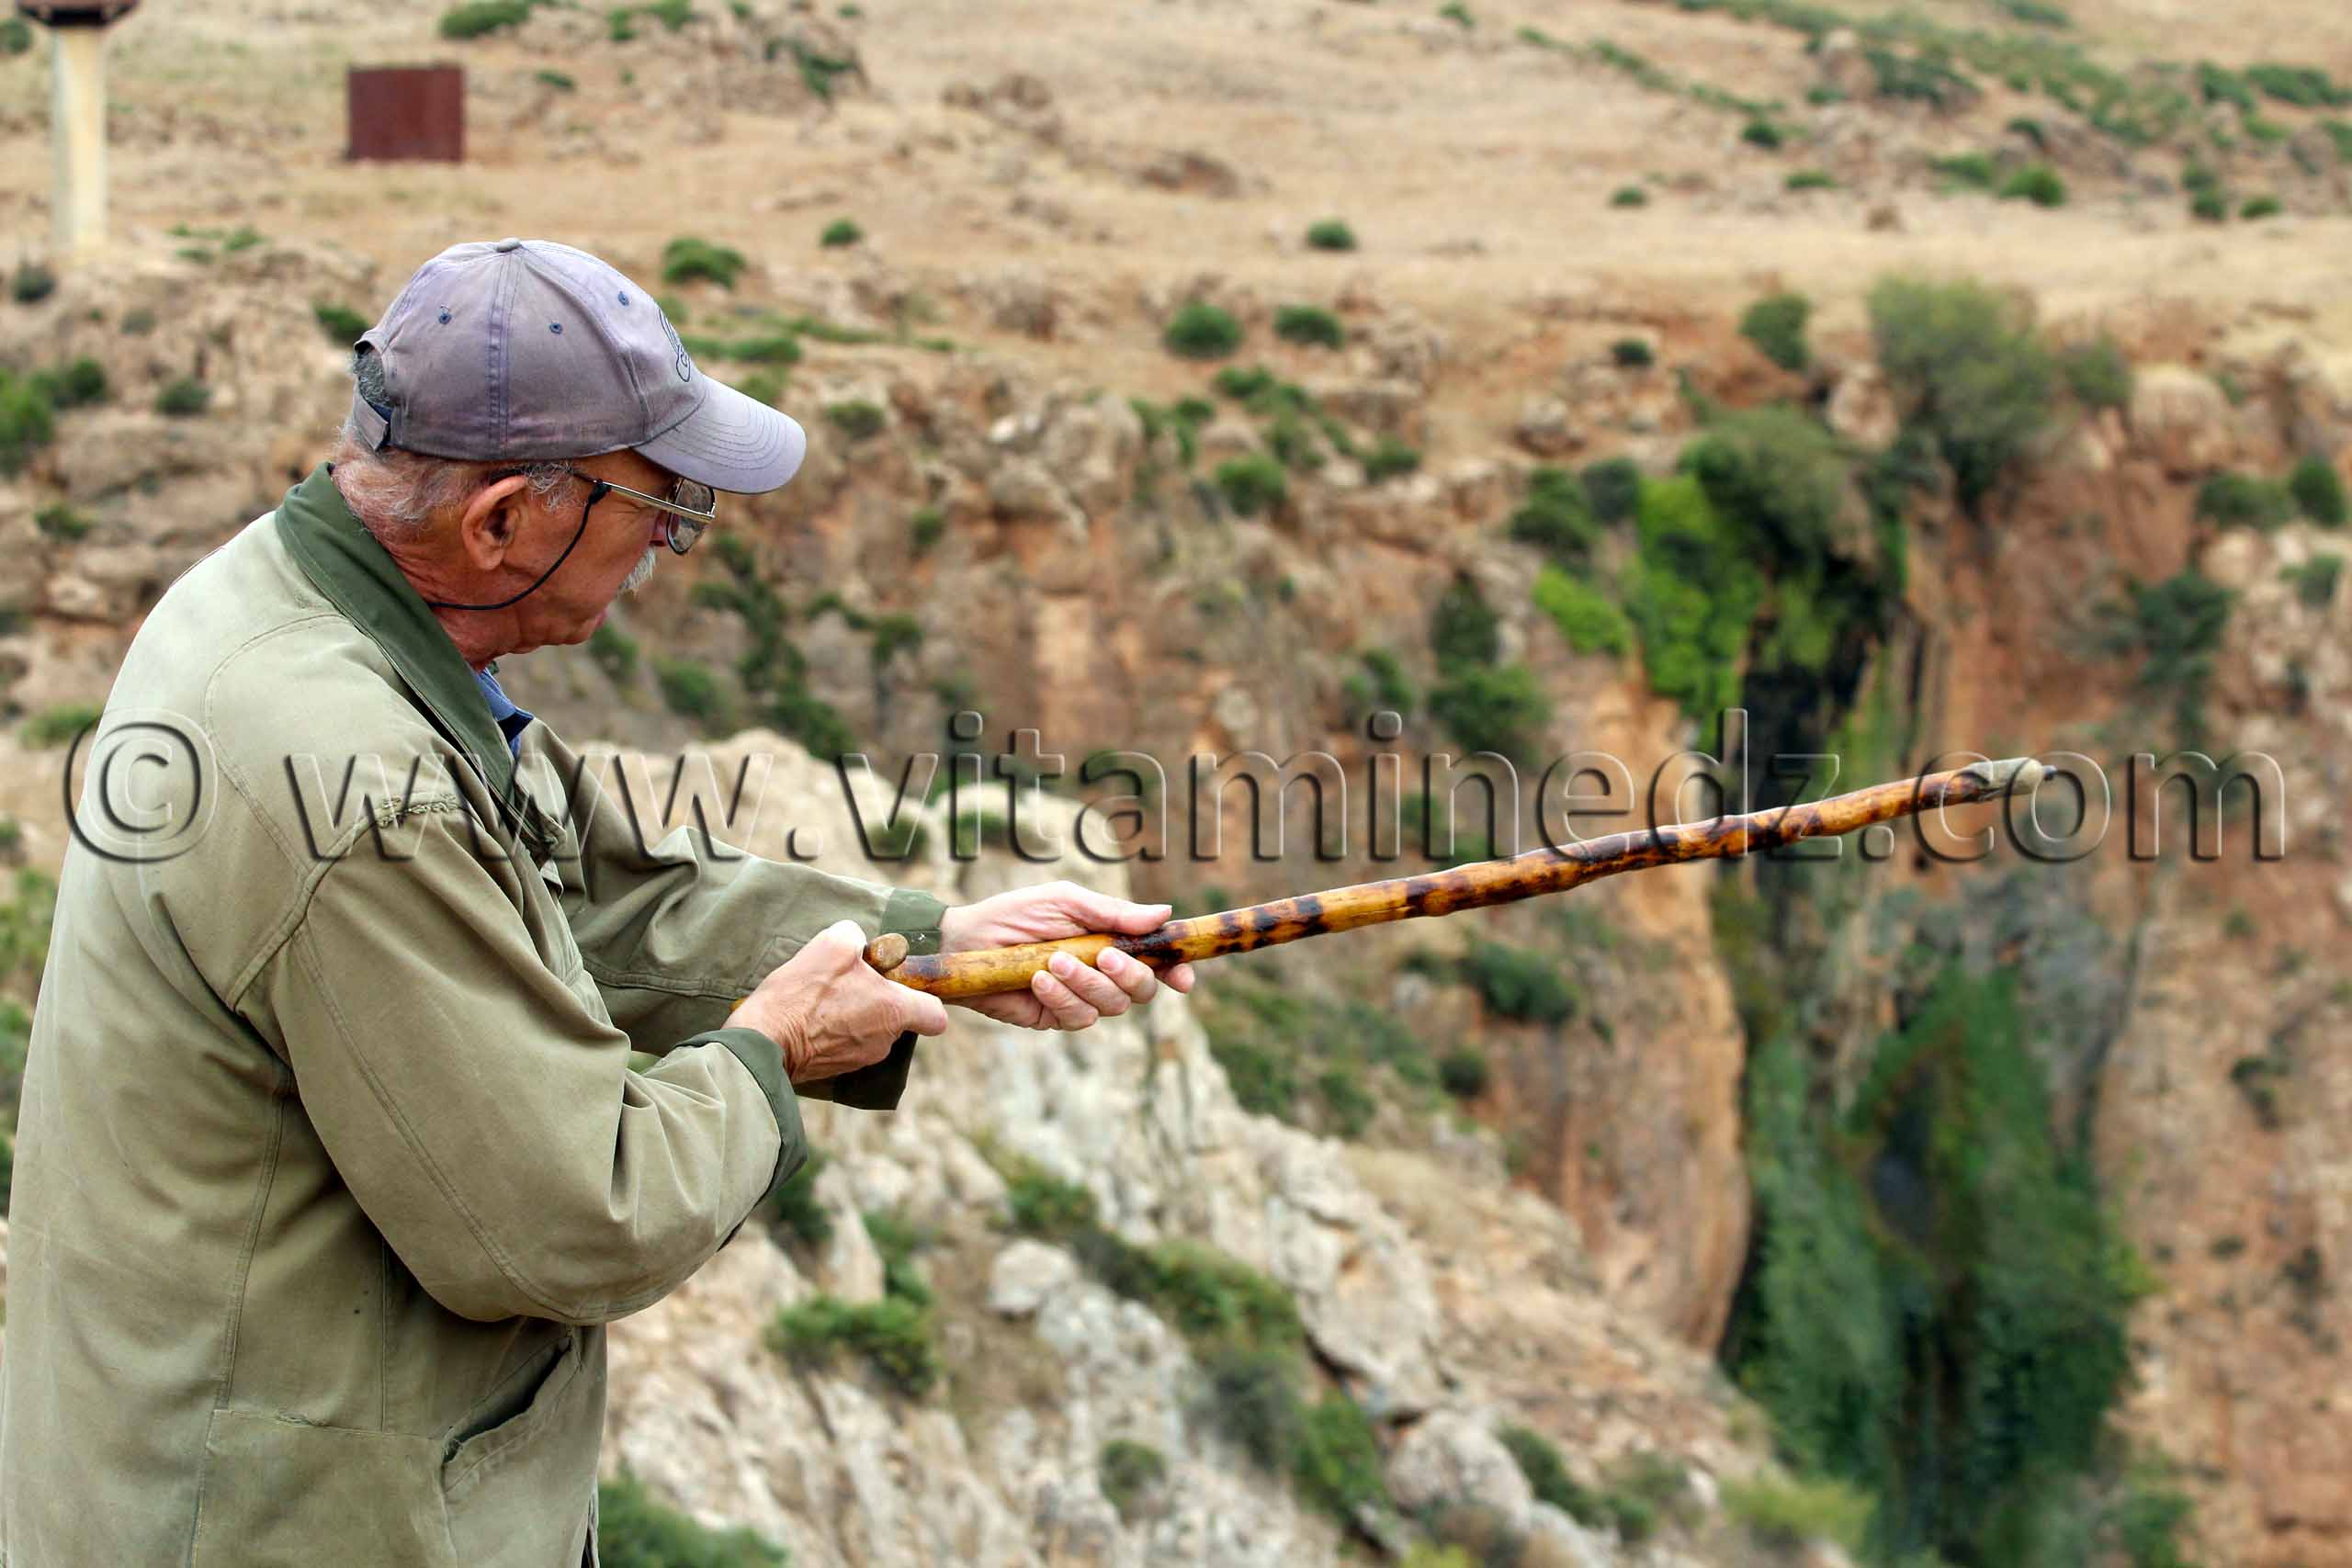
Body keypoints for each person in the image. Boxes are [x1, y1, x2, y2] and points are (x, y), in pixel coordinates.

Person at [0, 238, 1193, 1567]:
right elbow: (572, 1214)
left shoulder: (304, 608)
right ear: (504, 519)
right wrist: (773, 1057)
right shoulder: (344, 768)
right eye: (662, 512)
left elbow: (588, 889)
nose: (669, 550)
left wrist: (929, 944)